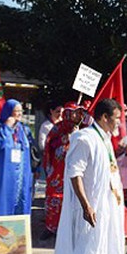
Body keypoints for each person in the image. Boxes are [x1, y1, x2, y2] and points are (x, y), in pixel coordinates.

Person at [48, 98, 125, 254]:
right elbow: (75, 173)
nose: (120, 122)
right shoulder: (85, 138)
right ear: (104, 117)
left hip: (108, 205)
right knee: (88, 251)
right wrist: (86, 206)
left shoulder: (105, 138)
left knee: (106, 248)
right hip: (91, 207)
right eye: (117, 118)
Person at [40, 102, 90, 240]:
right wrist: (64, 141)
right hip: (58, 170)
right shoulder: (58, 128)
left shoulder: (84, 129)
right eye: (73, 112)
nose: (76, 115)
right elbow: (49, 145)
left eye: (79, 112)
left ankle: (73, 228)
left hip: (76, 170)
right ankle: (51, 227)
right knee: (55, 198)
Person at [0, 99, 34, 216]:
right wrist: (7, 127)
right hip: (4, 174)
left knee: (21, 202)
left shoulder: (23, 129)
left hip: (22, 174)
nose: (20, 114)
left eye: (21, 111)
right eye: (16, 111)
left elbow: (30, 148)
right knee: (3, 202)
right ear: (8, 112)